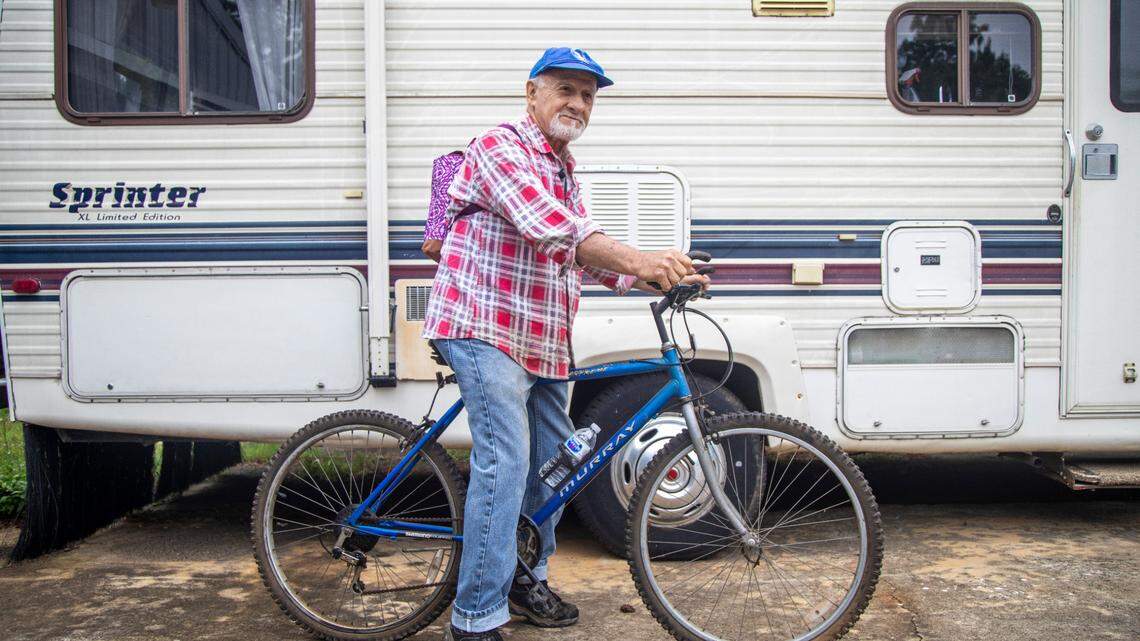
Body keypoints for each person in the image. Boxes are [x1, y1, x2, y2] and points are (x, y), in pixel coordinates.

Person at [422, 47, 710, 641]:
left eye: (588, 95)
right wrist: (640, 258)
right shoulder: (500, 146)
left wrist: (656, 274)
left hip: (542, 340)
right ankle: (475, 617)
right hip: (483, 326)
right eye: (566, 90)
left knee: (554, 469)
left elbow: (584, 256)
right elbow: (555, 230)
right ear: (532, 92)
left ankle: (524, 579)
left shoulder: (565, 167)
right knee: (505, 462)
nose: (578, 103)